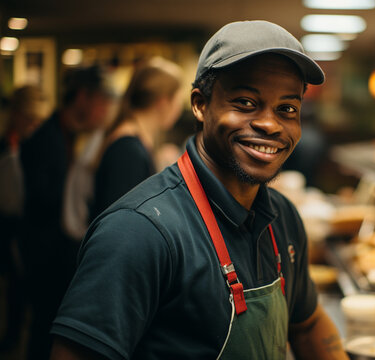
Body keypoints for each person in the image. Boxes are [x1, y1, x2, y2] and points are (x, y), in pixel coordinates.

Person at [50, 20, 348, 359]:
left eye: (286, 109)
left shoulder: (284, 218)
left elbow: (307, 325)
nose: (269, 123)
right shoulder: (138, 232)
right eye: (246, 102)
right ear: (200, 104)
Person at [19, 66, 113, 360]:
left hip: (59, 253)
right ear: (83, 97)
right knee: (45, 327)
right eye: (101, 100)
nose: (105, 109)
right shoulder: (46, 137)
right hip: (44, 255)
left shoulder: (77, 136)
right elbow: (42, 198)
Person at [90, 57, 184, 221]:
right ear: (163, 103)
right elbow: (120, 221)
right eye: (179, 101)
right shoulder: (128, 150)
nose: (180, 109)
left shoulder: (133, 142)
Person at [0, 85, 47, 351]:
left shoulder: (37, 146)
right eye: (30, 118)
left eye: (38, 120)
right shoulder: (7, 147)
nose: (33, 125)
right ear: (16, 114)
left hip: (27, 228)